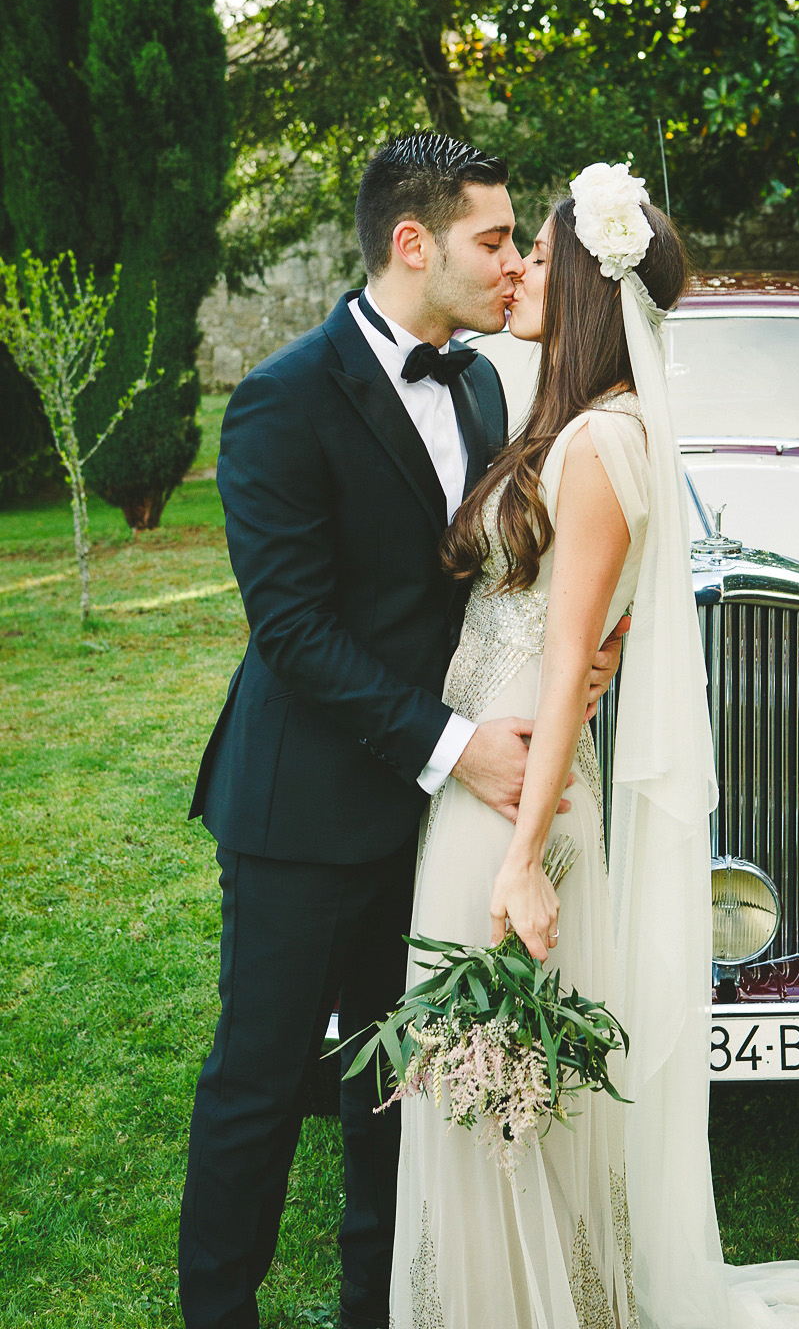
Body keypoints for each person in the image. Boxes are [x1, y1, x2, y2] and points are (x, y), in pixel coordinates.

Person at [390, 164, 799, 1329]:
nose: (515, 267)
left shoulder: (595, 447)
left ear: (582, 282)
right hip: (498, 776)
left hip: (513, 803)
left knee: (499, 1090)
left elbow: (572, 654)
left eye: (535, 253)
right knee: (502, 1091)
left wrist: (521, 863)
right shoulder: (586, 427)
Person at [178, 131, 624, 1329]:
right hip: (305, 808)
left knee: (400, 1087)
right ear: (412, 243)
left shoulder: (480, 382)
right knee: (262, 1084)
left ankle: (376, 1309)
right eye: (492, 239)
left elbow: (495, 580)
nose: (509, 264)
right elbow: (294, 631)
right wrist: (456, 745)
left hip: (432, 825)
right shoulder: (280, 399)